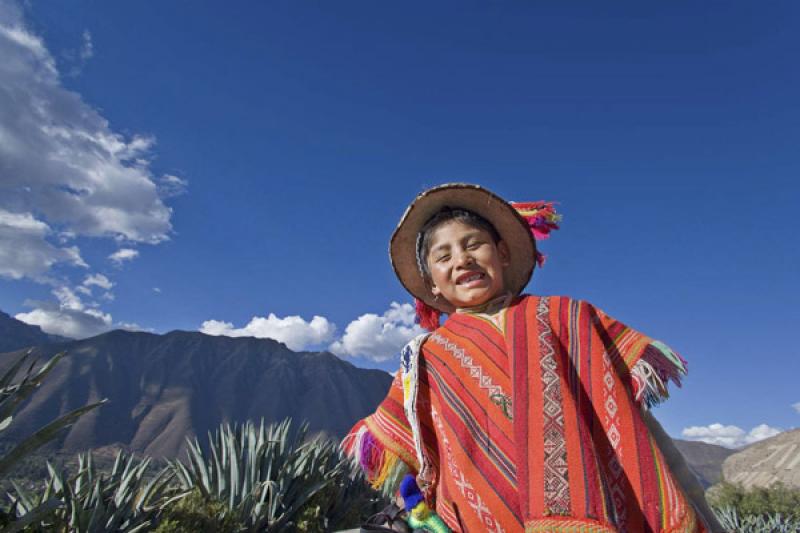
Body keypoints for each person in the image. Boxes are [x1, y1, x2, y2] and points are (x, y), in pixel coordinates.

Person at [343, 183, 721, 532]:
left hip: (605, 511)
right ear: (431, 283)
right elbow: (404, 445)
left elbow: (628, 418)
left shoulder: (569, 317)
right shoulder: (424, 357)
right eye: (444, 256)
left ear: (502, 253)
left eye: (474, 244)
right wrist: (414, 501)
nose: (463, 259)